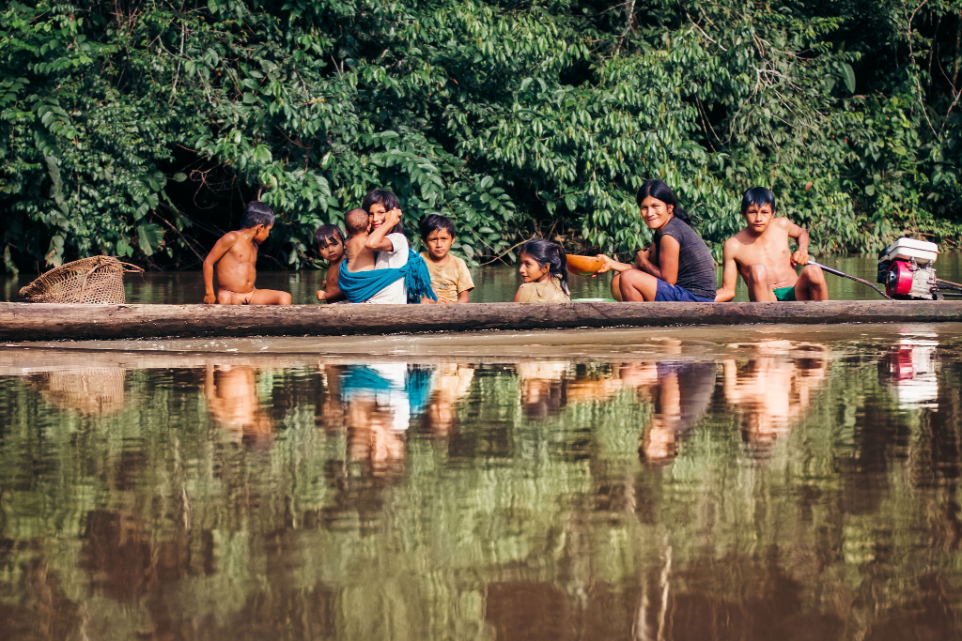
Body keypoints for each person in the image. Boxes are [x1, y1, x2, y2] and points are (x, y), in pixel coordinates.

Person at [596, 180, 716, 302]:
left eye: (655, 206)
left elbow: (668, 280)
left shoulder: (670, 233)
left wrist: (643, 262)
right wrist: (610, 263)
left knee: (628, 277)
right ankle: (639, 317)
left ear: (670, 207)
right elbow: (647, 272)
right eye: (644, 208)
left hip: (696, 299)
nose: (650, 213)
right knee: (618, 280)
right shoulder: (660, 233)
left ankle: (640, 319)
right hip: (682, 294)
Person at [715, 187, 828, 302]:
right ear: (743, 213)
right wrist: (697, 300)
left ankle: (826, 317)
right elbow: (727, 291)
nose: (759, 218)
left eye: (764, 212)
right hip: (765, 298)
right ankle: (766, 319)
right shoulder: (733, 245)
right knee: (758, 270)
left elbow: (802, 233)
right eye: (753, 212)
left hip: (795, 292)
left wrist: (803, 250)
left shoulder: (782, 225)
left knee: (814, 271)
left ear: (772, 213)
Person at [336, 189, 437, 304]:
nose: (375, 219)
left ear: (390, 214)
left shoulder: (398, 238)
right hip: (368, 303)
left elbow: (371, 244)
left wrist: (390, 222)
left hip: (386, 306)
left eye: (381, 213)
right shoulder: (366, 243)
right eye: (370, 214)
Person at [203, 202, 292, 305]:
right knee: (225, 298)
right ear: (260, 228)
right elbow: (208, 262)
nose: (268, 235)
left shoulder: (255, 246)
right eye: (269, 230)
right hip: (230, 294)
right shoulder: (231, 238)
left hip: (251, 294)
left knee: (285, 297)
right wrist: (209, 293)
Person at [419, 214, 475, 303]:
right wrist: (433, 301)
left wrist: (452, 309)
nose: (439, 245)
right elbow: (410, 293)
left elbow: (465, 298)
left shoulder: (458, 263)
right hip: (425, 308)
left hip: (451, 309)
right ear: (425, 241)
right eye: (433, 239)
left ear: (452, 240)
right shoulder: (419, 260)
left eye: (444, 239)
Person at [513, 238, 571, 303]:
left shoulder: (525, 290)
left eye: (528, 264)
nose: (521, 269)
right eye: (521, 263)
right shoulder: (561, 282)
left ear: (545, 267)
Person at [314, 224, 346, 303]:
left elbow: (346, 288)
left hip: (342, 306)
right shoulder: (333, 263)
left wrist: (326, 296)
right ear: (319, 252)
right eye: (324, 247)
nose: (330, 250)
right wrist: (328, 283)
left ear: (344, 244)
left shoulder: (343, 264)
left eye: (334, 244)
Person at [343, 208, 377, 273]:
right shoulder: (369, 239)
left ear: (346, 231)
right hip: (366, 274)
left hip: (350, 274)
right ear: (369, 227)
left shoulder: (347, 242)